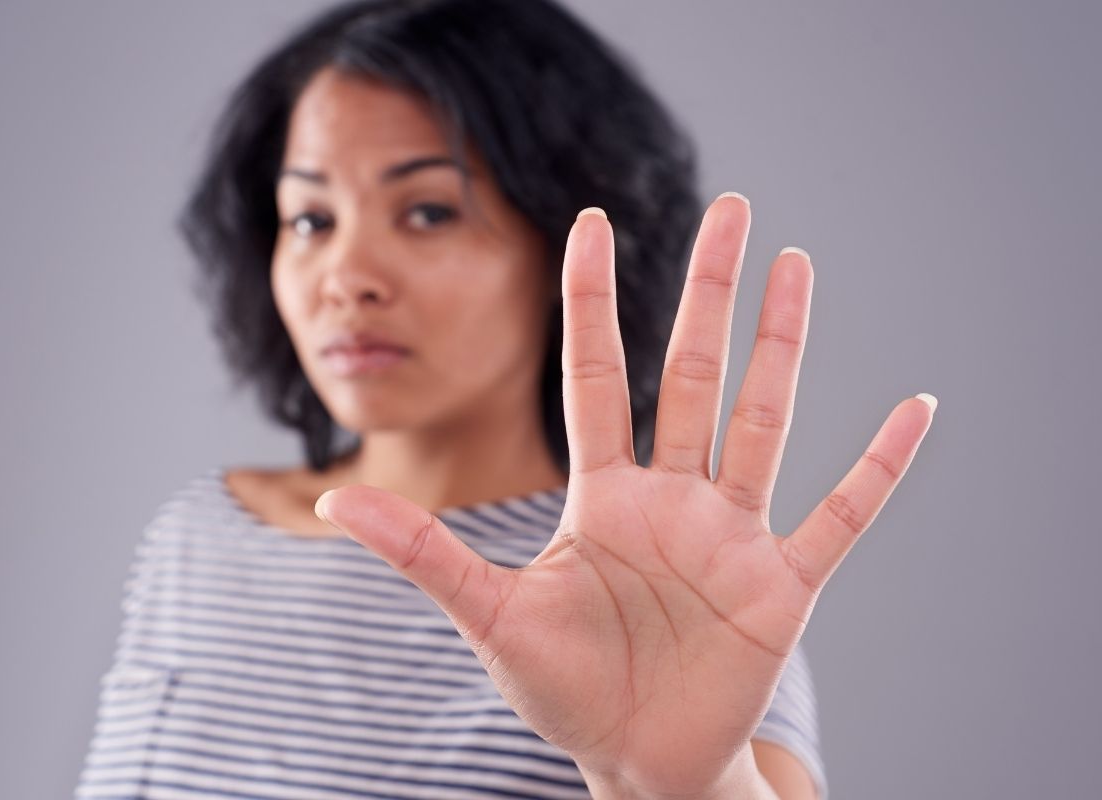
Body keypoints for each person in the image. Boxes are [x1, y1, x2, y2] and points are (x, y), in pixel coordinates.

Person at [75, 1, 936, 798]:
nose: (345, 277)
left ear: (563, 238)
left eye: (427, 212)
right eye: (310, 219)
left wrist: (677, 785)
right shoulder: (197, 536)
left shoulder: (669, 590)